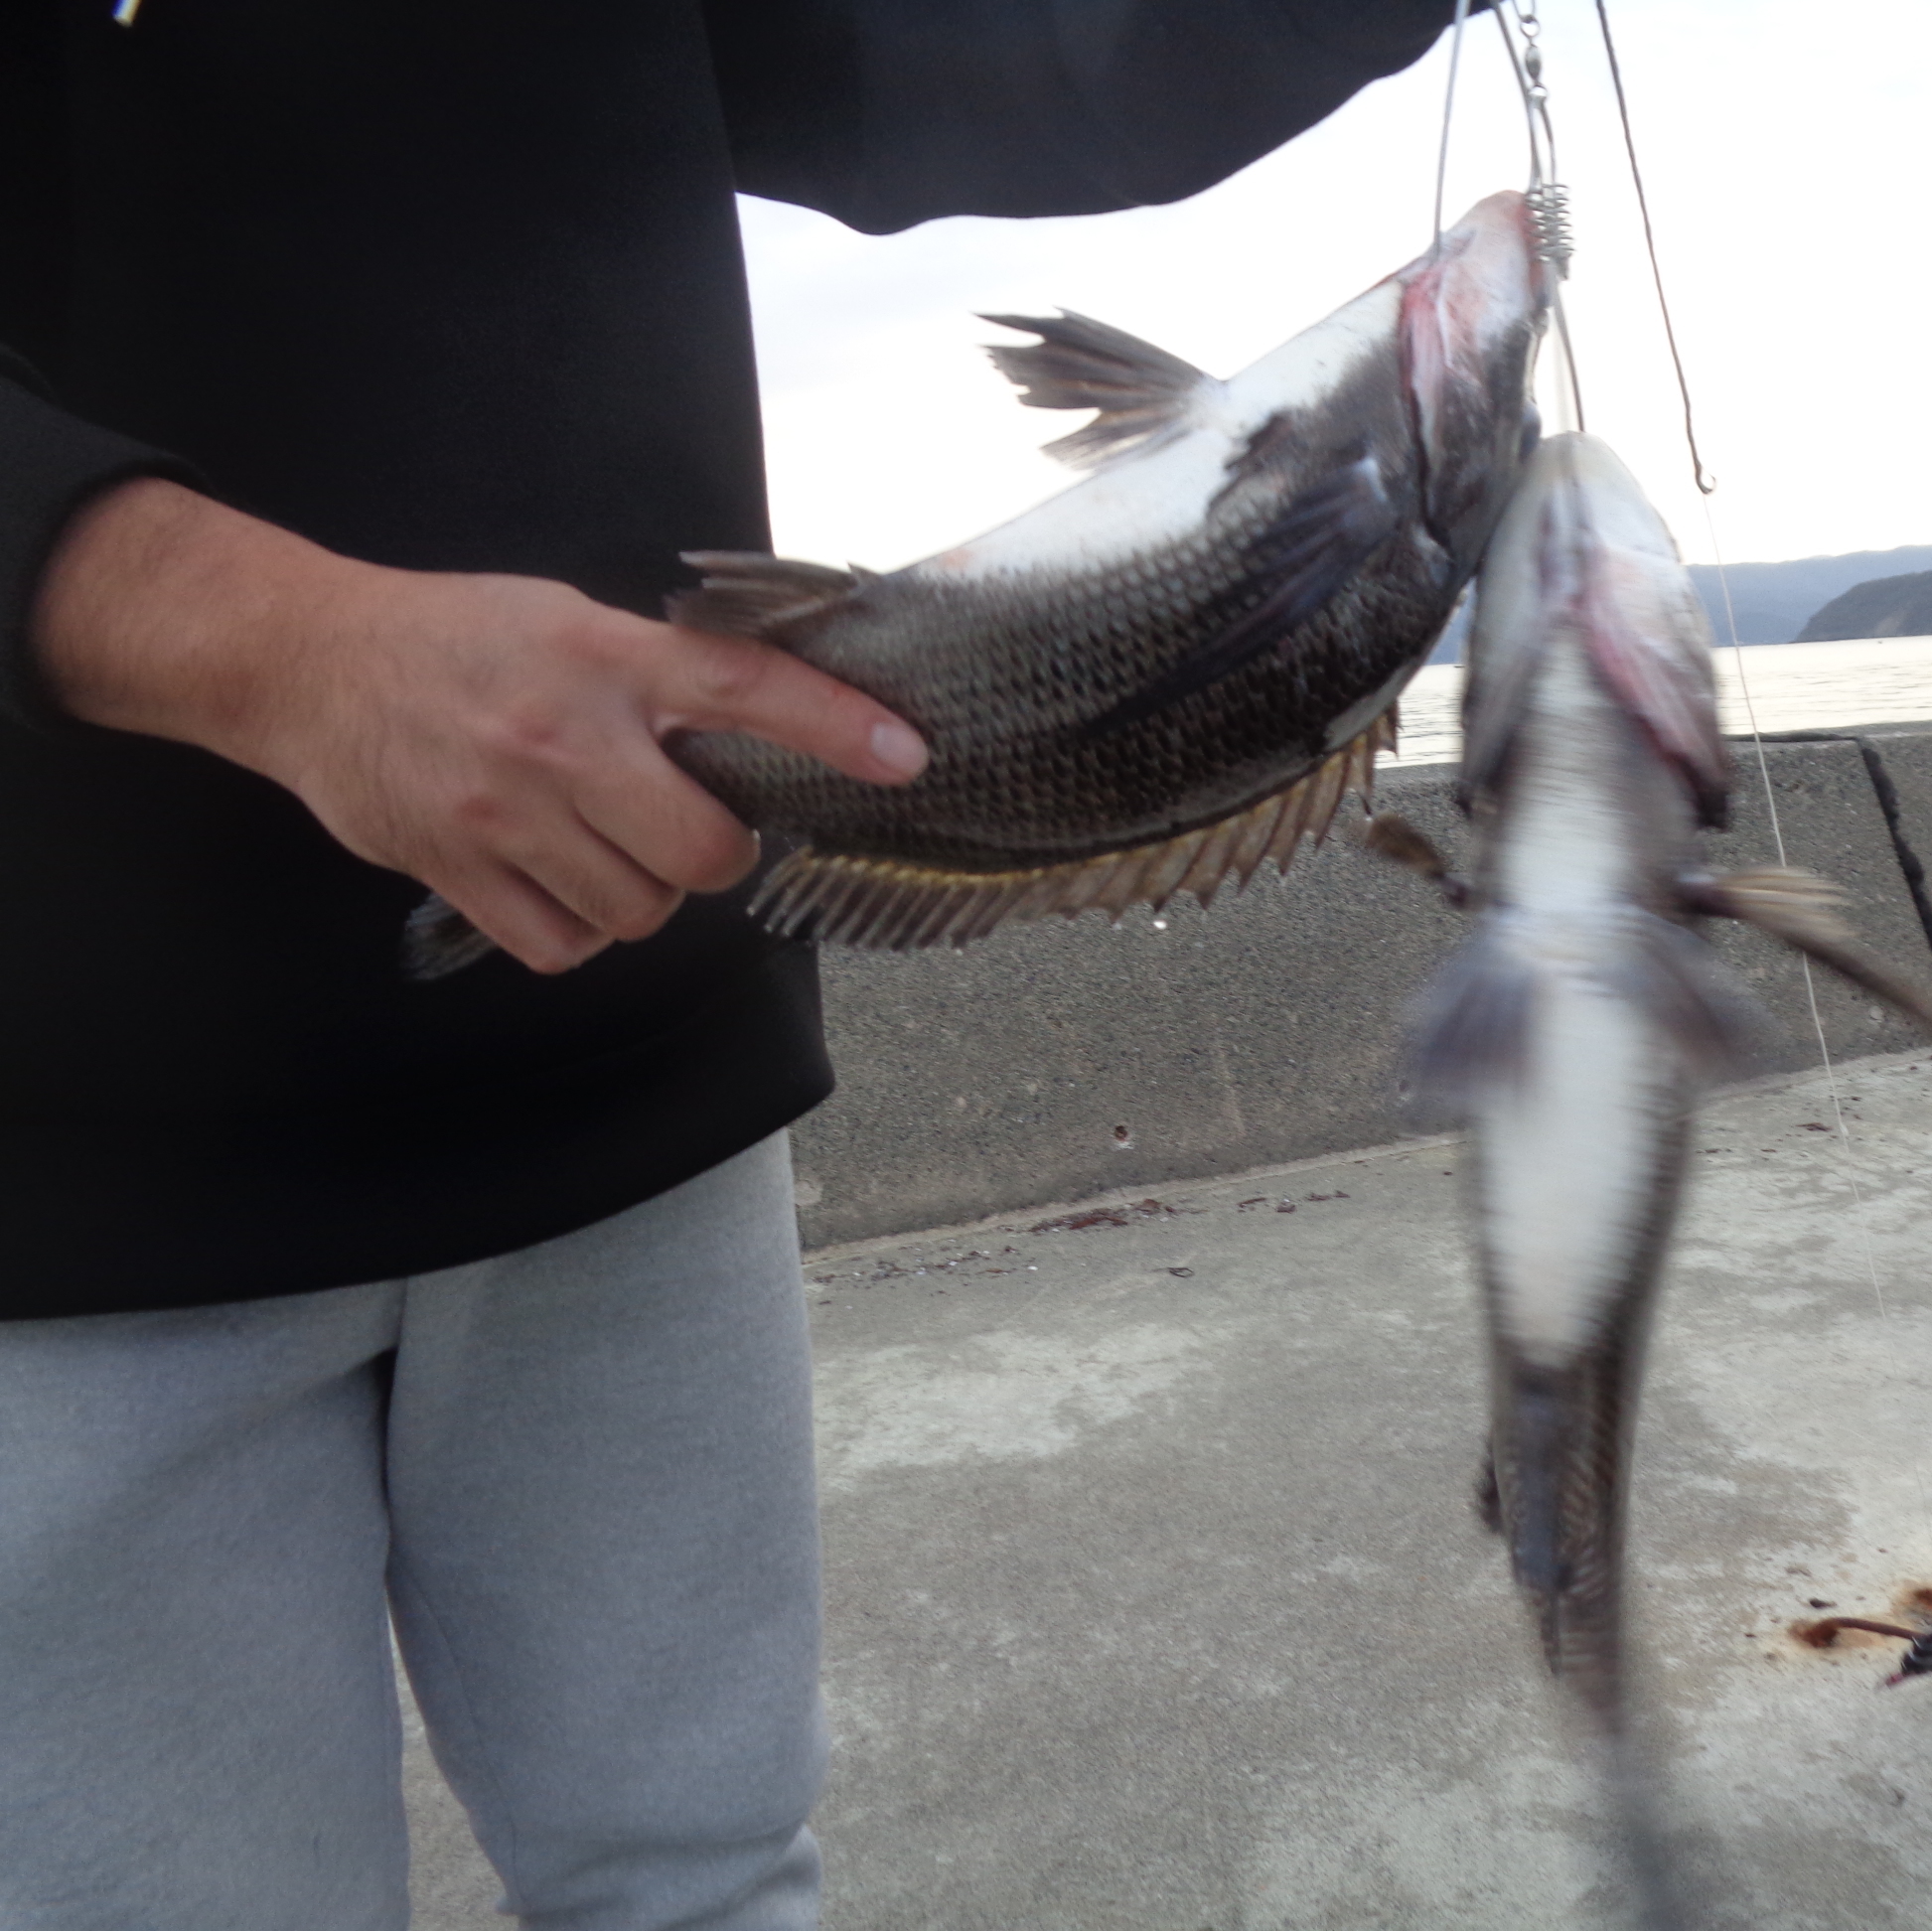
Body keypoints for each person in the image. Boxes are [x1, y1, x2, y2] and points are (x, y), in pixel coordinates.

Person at [0, 5, 1465, 1925]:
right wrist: (272, 639)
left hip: (641, 1046)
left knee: (710, 1881)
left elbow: (989, 45)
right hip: (71, 1176)